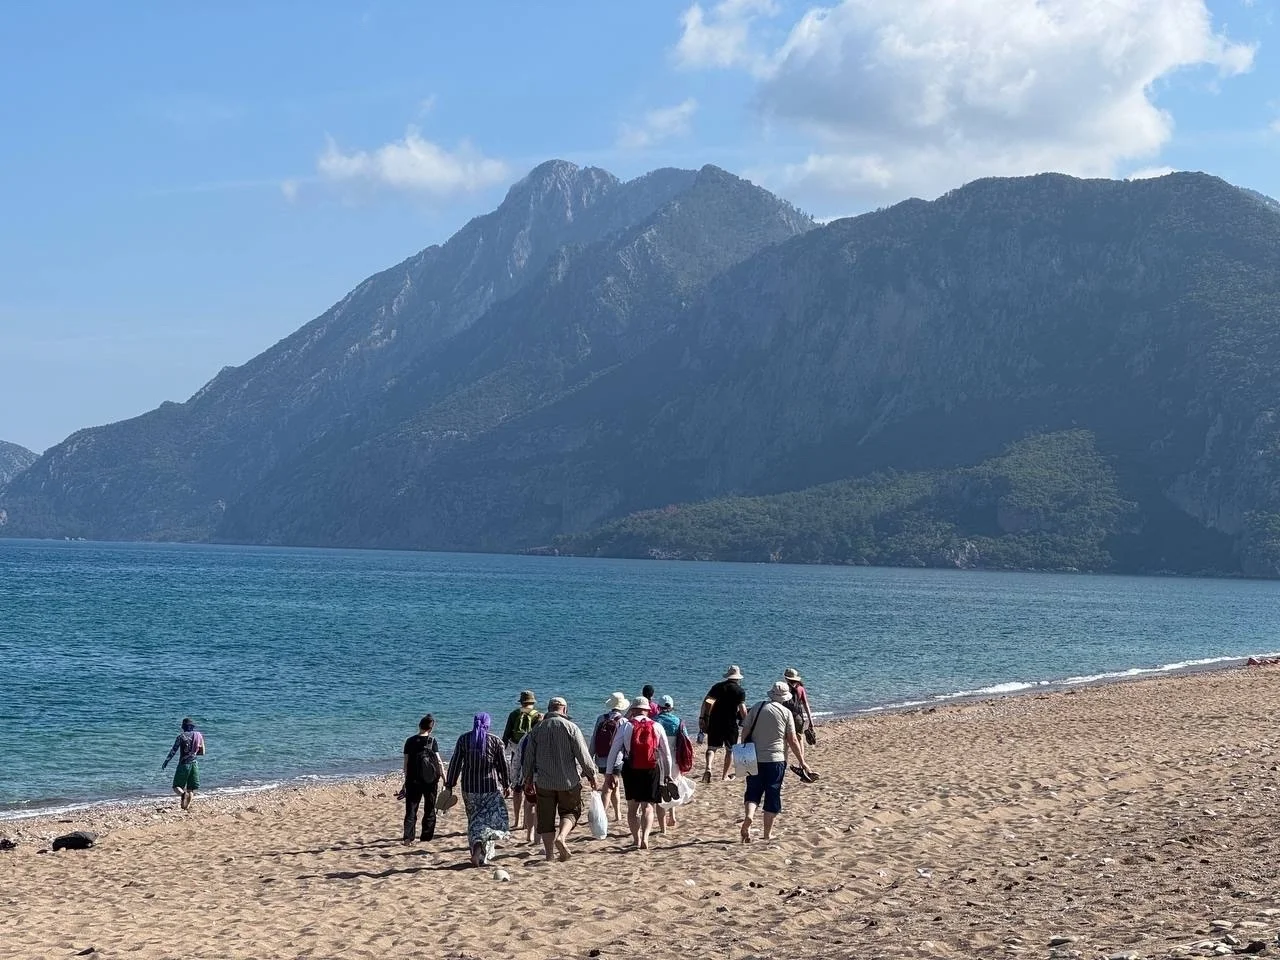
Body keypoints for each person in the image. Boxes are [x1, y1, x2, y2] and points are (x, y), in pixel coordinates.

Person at [520, 696, 598, 863]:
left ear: (549, 709)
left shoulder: (537, 729)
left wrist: (527, 779)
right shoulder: (571, 728)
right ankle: (562, 837)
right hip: (568, 781)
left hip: (544, 782)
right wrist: (591, 775)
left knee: (546, 819)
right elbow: (583, 755)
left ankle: (549, 855)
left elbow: (529, 758)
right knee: (571, 812)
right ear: (564, 709)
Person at [739, 681, 813, 843]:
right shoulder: (786, 713)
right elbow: (792, 740)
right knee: (772, 794)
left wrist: (744, 749)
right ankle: (767, 834)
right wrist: (802, 761)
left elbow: (744, 731)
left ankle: (749, 817)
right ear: (785, 698)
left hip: (753, 757)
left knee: (752, 791)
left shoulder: (758, 707)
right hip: (776, 759)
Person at [604, 696, 675, 851]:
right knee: (648, 806)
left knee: (632, 808)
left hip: (631, 768)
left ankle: (636, 839)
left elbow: (614, 750)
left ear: (633, 710)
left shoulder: (626, 726)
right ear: (648, 711)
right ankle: (645, 837)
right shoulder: (657, 726)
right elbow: (666, 754)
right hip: (651, 768)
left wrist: (609, 773)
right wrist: (668, 774)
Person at [445, 713, 511, 867]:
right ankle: (481, 852)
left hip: (469, 788)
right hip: (490, 788)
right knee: (489, 820)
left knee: (474, 820)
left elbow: (455, 764)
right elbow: (502, 766)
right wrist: (506, 784)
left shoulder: (463, 740)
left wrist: (450, 784)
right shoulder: (495, 741)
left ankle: (477, 850)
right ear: (488, 724)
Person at [401, 714, 445, 845]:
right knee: (429, 808)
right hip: (430, 781)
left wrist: (405, 782)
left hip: (413, 780)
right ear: (431, 729)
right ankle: (426, 837)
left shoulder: (409, 741)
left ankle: (408, 838)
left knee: (411, 810)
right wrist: (444, 778)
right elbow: (439, 762)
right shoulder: (432, 741)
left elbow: (406, 764)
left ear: (419, 726)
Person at [502, 690, 542, 831]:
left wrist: (502, 754)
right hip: (531, 754)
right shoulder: (538, 715)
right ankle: (527, 822)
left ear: (521, 702)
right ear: (532, 702)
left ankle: (517, 820)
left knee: (517, 788)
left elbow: (506, 735)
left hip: (515, 752)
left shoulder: (514, 714)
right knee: (530, 788)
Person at [701, 665, 748, 783]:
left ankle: (708, 767)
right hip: (730, 723)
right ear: (738, 678)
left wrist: (703, 717)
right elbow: (742, 709)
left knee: (711, 748)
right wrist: (747, 722)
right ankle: (724, 776)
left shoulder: (717, 687)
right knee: (730, 750)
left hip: (715, 721)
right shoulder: (739, 691)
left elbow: (707, 702)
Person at [654, 695, 692, 831]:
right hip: (674, 758)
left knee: (660, 789)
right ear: (671, 707)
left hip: (658, 759)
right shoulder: (678, 721)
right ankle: (672, 815)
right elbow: (686, 739)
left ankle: (662, 827)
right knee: (673, 786)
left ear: (659, 707)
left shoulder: (654, 721)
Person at [590, 692, 629, 822]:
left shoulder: (601, 718)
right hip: (617, 759)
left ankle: (618, 814)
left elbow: (594, 738)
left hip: (601, 758)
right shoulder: (623, 721)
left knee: (614, 785)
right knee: (608, 787)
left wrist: (590, 756)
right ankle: (602, 816)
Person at [160, 717, 205, 811]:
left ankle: (183, 795)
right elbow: (202, 752)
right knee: (191, 788)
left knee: (176, 786)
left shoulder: (181, 737)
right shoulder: (198, 735)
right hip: (194, 764)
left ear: (183, 727)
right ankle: (186, 807)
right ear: (192, 727)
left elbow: (173, 751)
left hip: (184, 764)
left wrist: (166, 761)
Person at [783, 668, 816, 743]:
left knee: (785, 740)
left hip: (786, 717)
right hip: (798, 717)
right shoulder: (800, 688)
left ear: (786, 678)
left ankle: (785, 754)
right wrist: (810, 720)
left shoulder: (784, 688)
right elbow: (806, 705)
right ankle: (801, 754)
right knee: (799, 738)